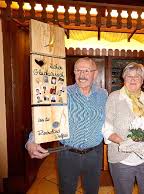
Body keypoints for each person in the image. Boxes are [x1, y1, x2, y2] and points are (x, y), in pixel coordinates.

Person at [26, 57, 108, 194]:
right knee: (67, 191)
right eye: (78, 71)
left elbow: (112, 117)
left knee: (92, 190)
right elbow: (46, 116)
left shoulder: (103, 94)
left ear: (95, 73)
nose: (82, 75)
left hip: (94, 155)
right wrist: (32, 140)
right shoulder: (62, 93)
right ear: (73, 72)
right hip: (67, 154)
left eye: (86, 71)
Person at [102, 62, 144, 194]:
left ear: (142, 80)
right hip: (122, 159)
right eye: (129, 76)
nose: (133, 79)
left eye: (137, 76)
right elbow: (107, 129)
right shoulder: (114, 97)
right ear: (124, 78)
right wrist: (126, 143)